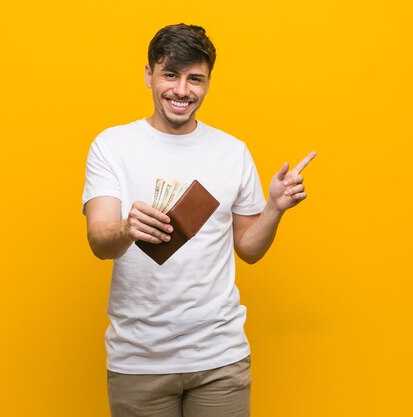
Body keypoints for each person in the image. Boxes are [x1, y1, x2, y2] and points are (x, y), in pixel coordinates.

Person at [82, 23, 316, 417]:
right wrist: (127, 228)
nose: (181, 90)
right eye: (170, 75)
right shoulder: (112, 146)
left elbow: (249, 250)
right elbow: (98, 241)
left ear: (208, 83)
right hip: (139, 360)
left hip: (219, 357)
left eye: (195, 79)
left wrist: (275, 209)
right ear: (148, 75)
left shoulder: (232, 152)